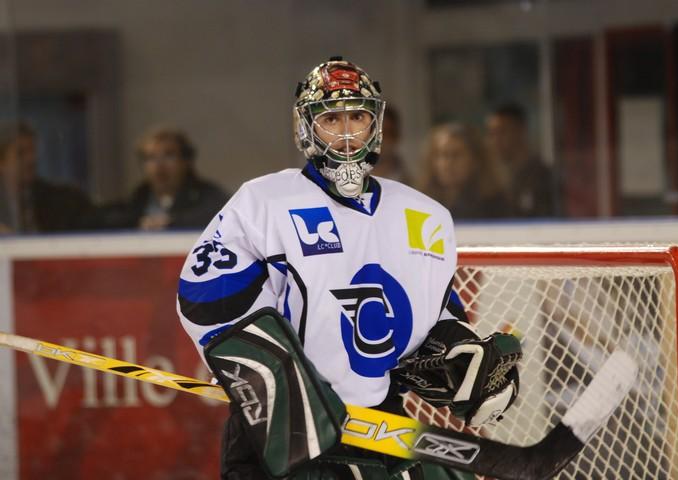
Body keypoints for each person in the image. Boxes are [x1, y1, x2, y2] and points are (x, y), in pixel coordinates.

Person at [177, 58, 521, 479]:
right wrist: (275, 382)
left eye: (357, 117)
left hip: (383, 425)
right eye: (330, 119)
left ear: (375, 124)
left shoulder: (426, 216)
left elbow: (438, 313)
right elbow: (204, 296)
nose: (345, 133)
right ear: (306, 128)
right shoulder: (263, 203)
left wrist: (462, 360)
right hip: (282, 433)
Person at [103, 127, 228, 230]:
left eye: (169, 155)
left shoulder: (209, 196)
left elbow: (222, 217)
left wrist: (173, 223)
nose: (159, 165)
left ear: (185, 161)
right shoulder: (138, 198)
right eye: (151, 157)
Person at [0, 122, 97, 233]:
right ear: (1, 161)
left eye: (32, 151)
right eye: (21, 153)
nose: (31, 159)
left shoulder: (64, 200)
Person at [417, 123, 511, 219]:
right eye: (442, 155)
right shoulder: (421, 203)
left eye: (456, 155)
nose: (447, 163)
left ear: (475, 160)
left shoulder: (495, 206)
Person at [484, 103, 557, 217]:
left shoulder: (542, 176)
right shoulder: (494, 178)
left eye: (502, 132)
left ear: (520, 131)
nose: (495, 140)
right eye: (492, 134)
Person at [369, 105, 411, 184]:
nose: (379, 141)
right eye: (374, 134)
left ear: (396, 136)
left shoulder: (412, 182)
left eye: (386, 133)